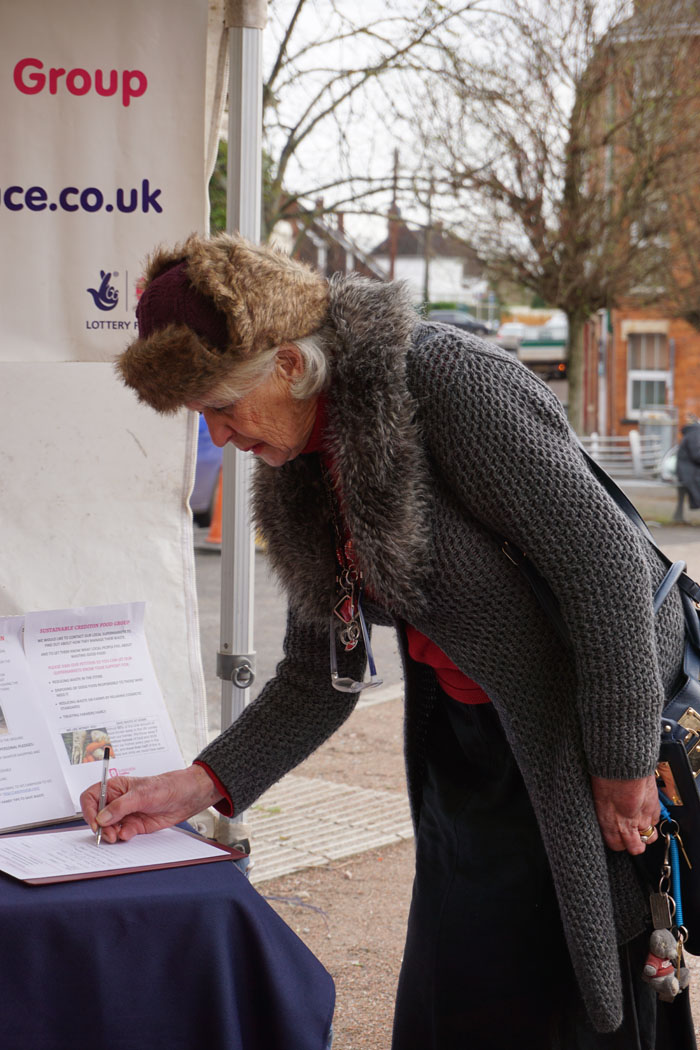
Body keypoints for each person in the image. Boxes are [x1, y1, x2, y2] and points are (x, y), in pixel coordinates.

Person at [81, 232, 694, 1049]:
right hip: (465, 746)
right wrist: (195, 786)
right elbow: (315, 678)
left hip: (580, 738)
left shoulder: (444, 381)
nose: (220, 440)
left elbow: (609, 567)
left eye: (222, 409)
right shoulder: (297, 461)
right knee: (455, 1002)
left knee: (576, 998)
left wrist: (620, 766)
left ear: (291, 365)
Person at [674, 414, 700, 523]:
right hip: (688, 472)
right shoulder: (695, 434)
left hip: (687, 469)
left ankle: (678, 516)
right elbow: (697, 455)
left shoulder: (692, 433)